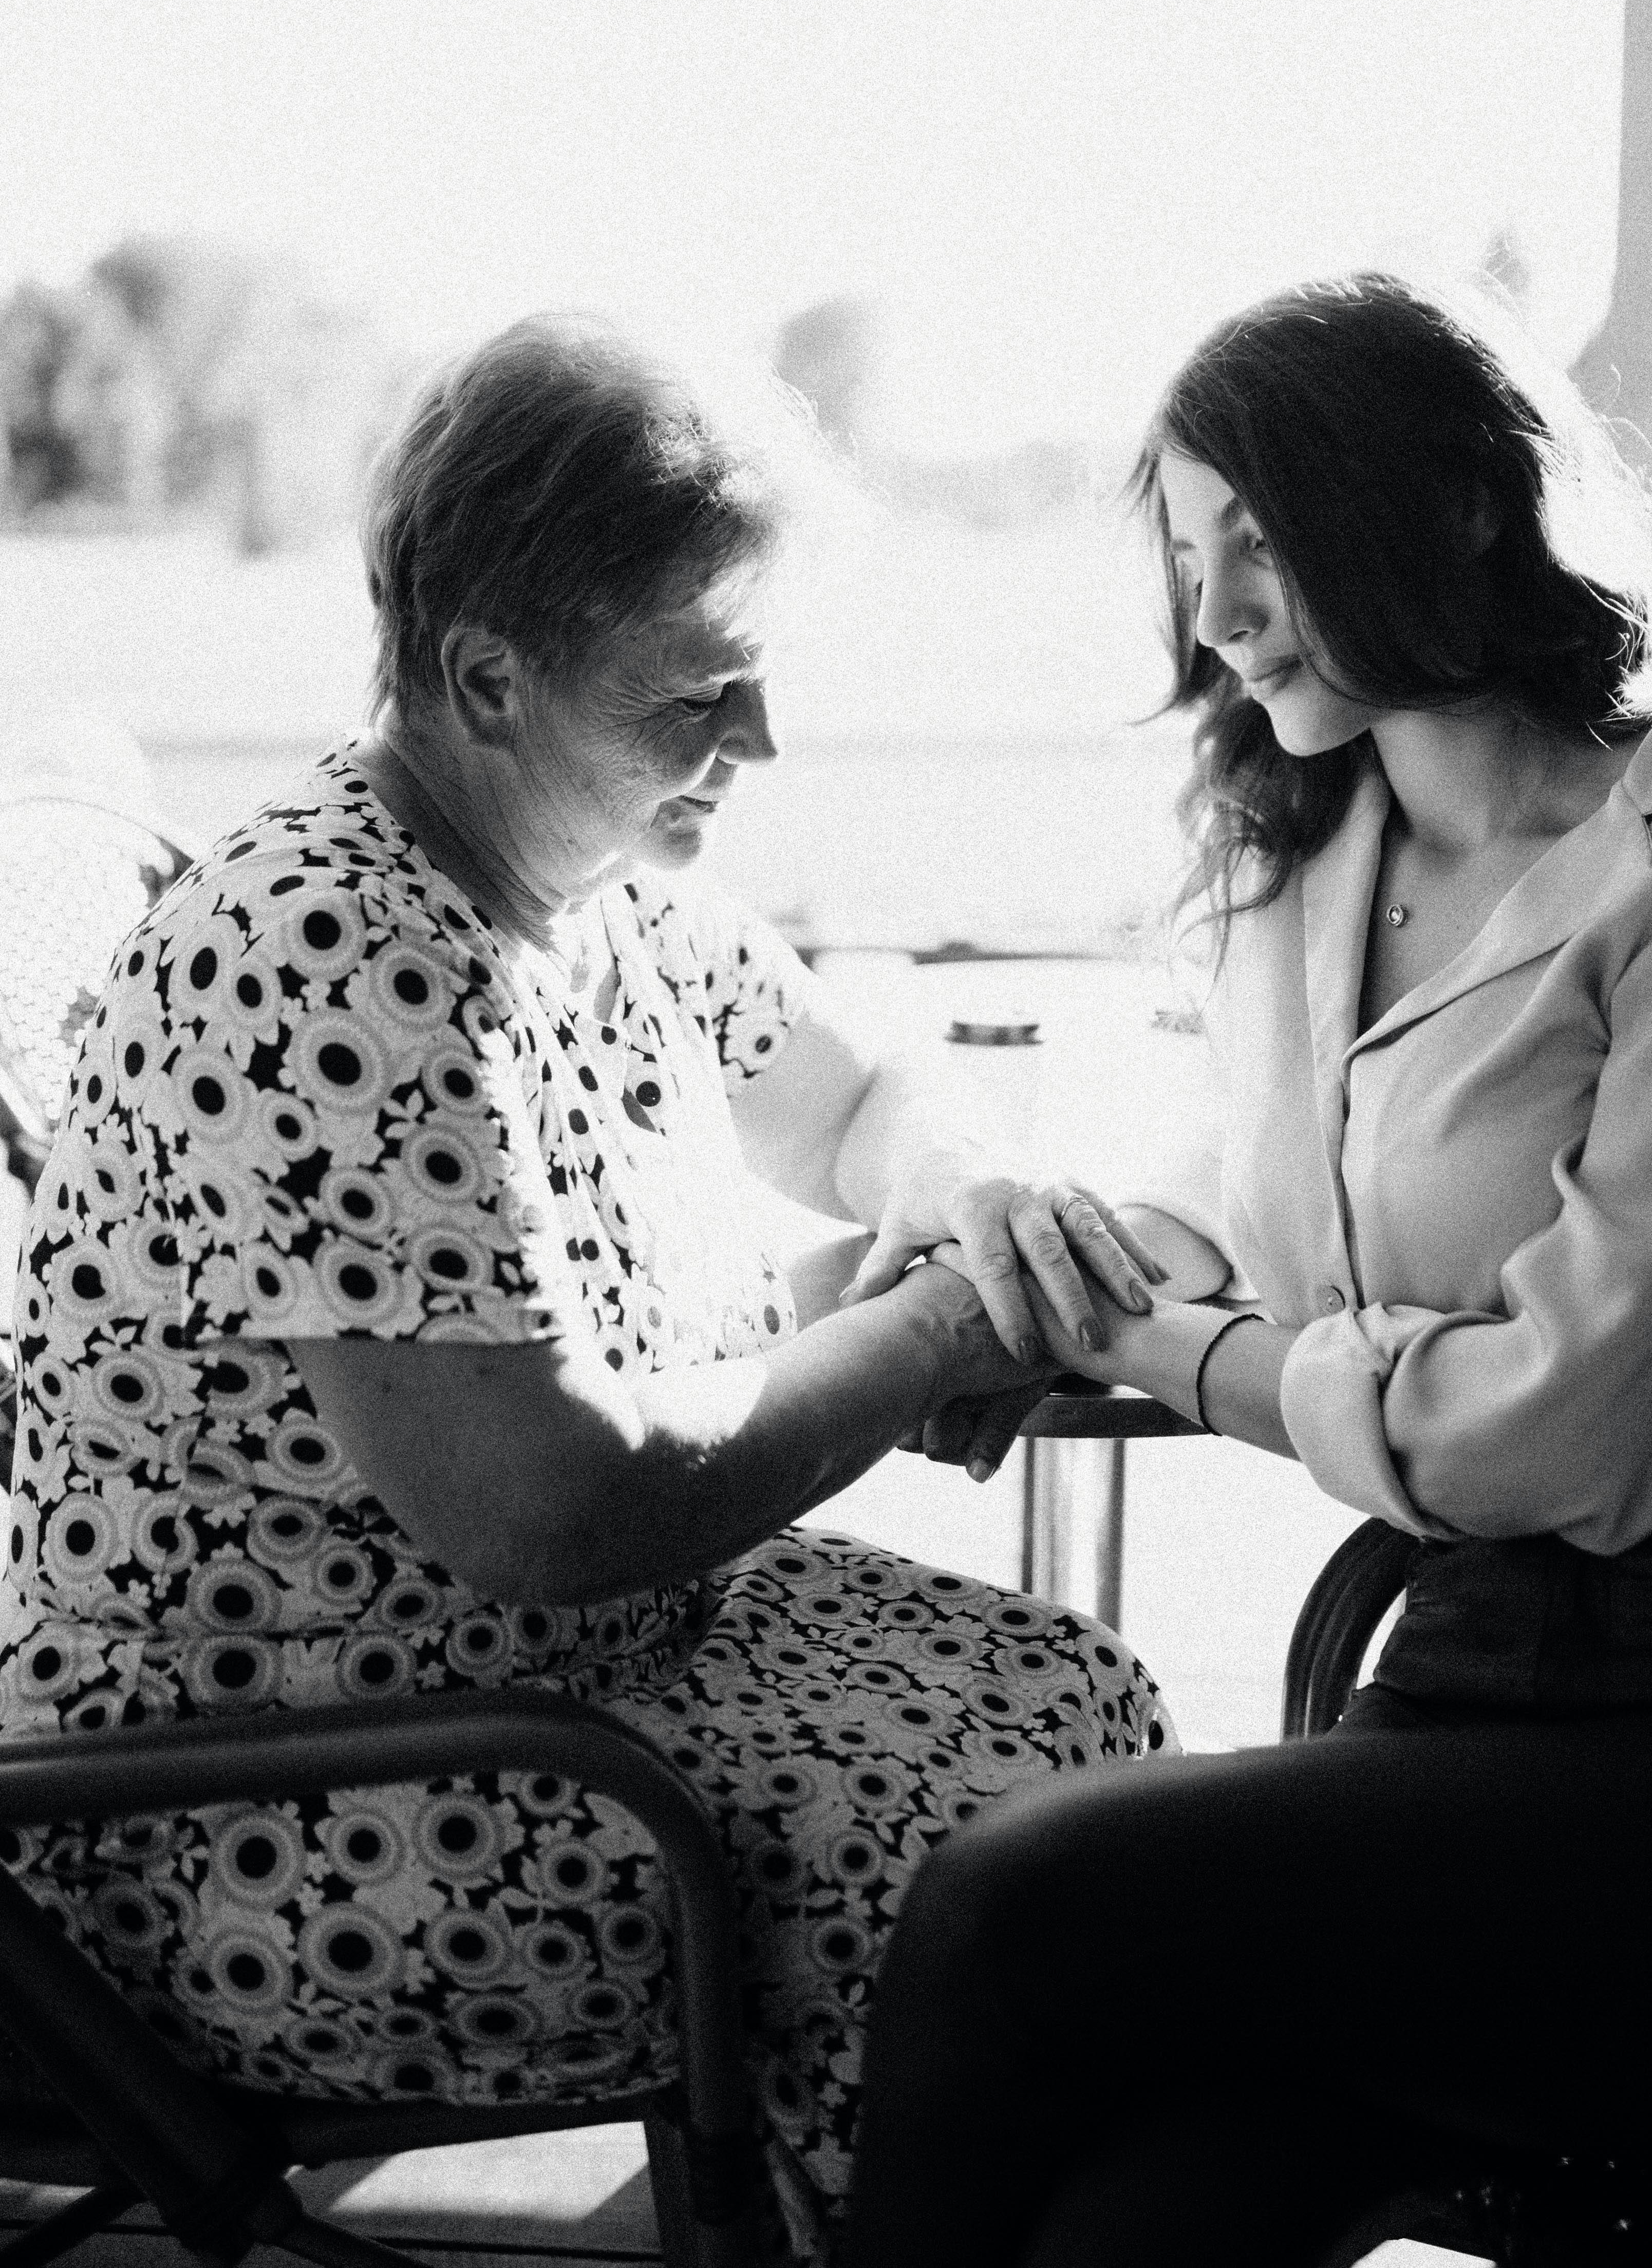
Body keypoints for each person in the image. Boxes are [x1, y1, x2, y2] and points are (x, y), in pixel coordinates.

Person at [0, 316, 1173, 2268]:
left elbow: (862, 1096)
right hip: (284, 1801)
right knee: (1004, 1886)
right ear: (486, 679)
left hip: (553, 1690)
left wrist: (966, 1199)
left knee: (1083, 1713)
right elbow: (556, 1506)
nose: (761, 748)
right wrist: (932, 1333)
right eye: (703, 697)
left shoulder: (591, 875)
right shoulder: (334, 948)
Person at [844, 274, 1652, 2267]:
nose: (1220, 610)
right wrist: (1020, 1249)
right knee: (1125, 2226)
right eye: (1190, 552)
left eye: (1264, 538)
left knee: (1006, 1900)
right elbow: (1255, 1216)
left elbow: (1557, 1424)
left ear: (1439, 514)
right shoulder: (1303, 858)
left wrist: (1167, 1346)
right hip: (1471, 1708)